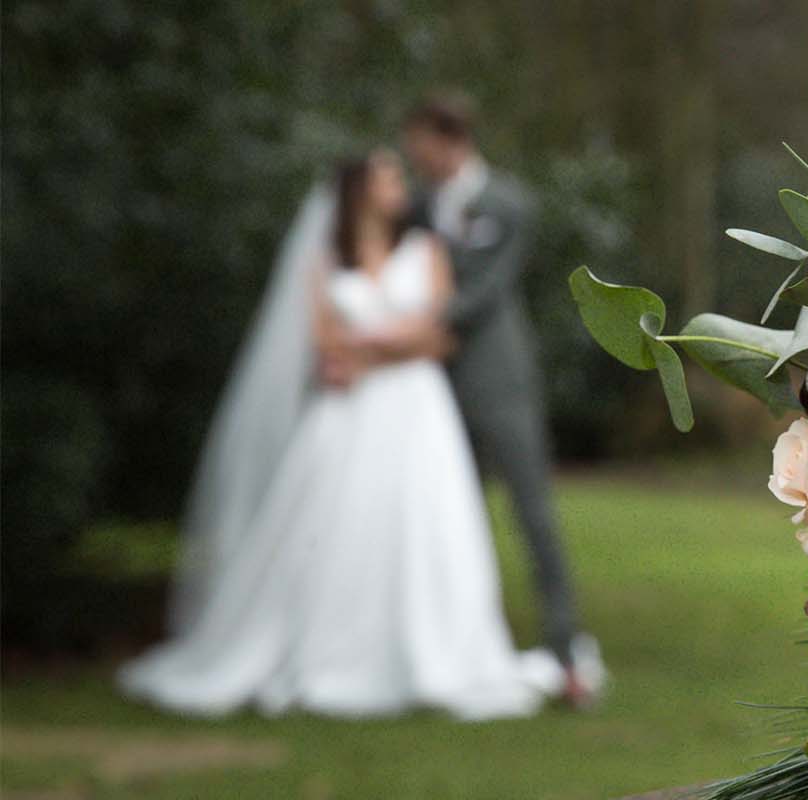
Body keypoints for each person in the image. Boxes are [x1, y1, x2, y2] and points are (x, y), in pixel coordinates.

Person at [120, 151, 550, 720]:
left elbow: (442, 336)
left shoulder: (425, 252)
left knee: (423, 526)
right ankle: (327, 646)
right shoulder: (326, 260)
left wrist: (368, 349)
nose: (399, 184)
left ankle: (432, 650)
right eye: (387, 177)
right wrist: (382, 348)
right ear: (359, 191)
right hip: (349, 415)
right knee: (333, 526)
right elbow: (323, 342)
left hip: (418, 412)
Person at [397, 93, 601, 707]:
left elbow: (487, 290)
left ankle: (565, 653)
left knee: (532, 514)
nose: (415, 156)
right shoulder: (416, 207)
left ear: (448, 140)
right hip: (429, 388)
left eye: (420, 144)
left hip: (499, 381)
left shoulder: (508, 204)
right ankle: (455, 649)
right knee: (444, 520)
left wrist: (414, 323)